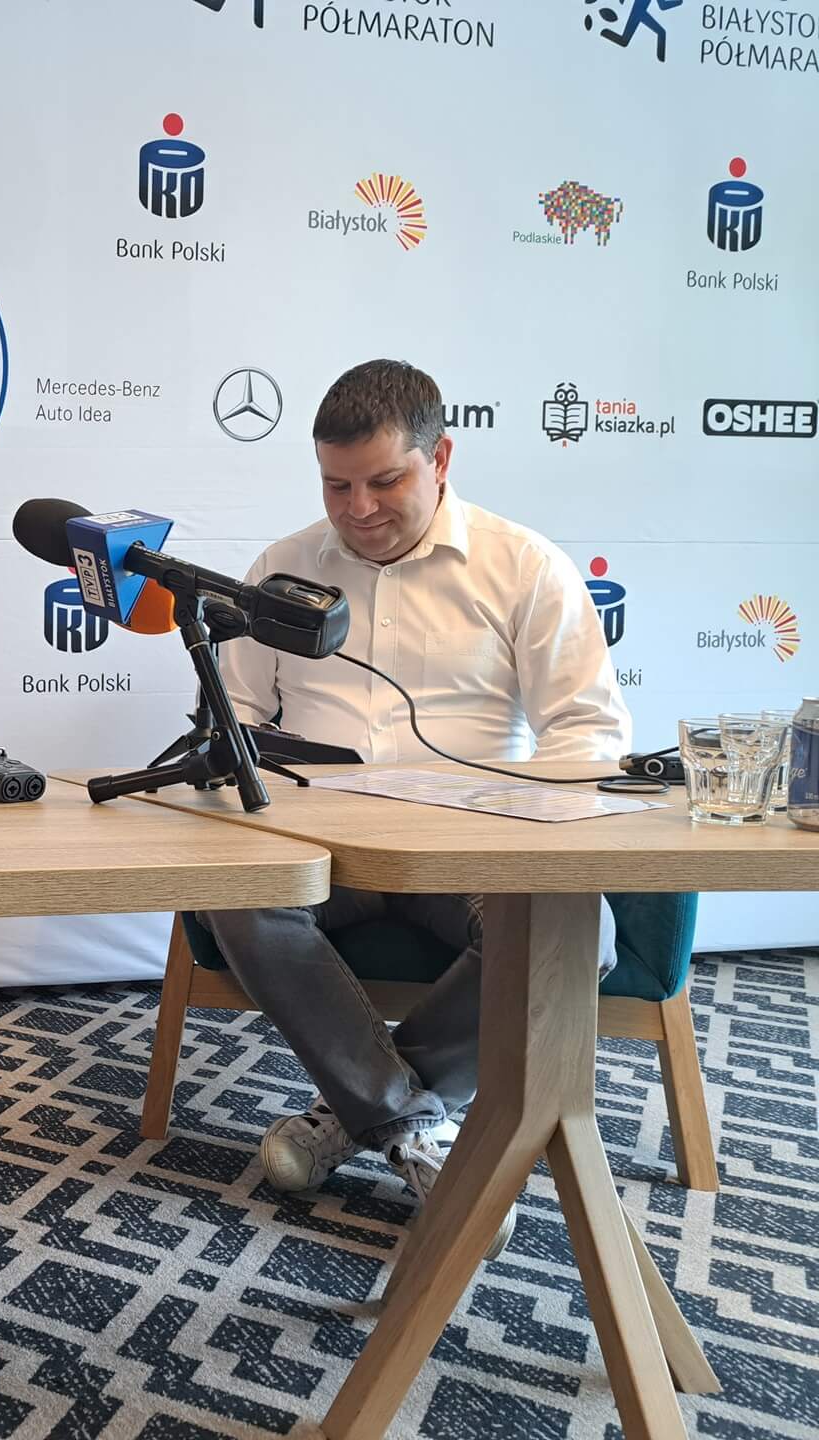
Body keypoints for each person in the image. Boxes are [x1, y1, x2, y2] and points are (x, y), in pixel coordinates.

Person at [200, 359, 631, 1256]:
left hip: (468, 847)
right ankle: (412, 1125)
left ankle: (367, 1113)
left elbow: (588, 734)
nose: (358, 509)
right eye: (336, 486)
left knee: (578, 933)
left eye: (385, 481)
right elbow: (231, 715)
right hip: (318, 847)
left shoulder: (524, 566)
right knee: (234, 893)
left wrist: (512, 816)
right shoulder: (280, 570)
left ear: (441, 459)